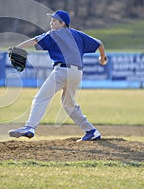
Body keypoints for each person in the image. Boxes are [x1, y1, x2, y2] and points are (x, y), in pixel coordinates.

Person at [8, 10, 107, 141]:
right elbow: (99, 43)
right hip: (77, 73)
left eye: (54, 20)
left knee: (41, 98)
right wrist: (102, 57)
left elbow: (35, 40)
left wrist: (17, 48)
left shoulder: (54, 34)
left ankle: (30, 127)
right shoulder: (78, 34)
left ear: (62, 23)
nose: (51, 22)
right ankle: (91, 131)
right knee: (69, 104)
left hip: (62, 71)